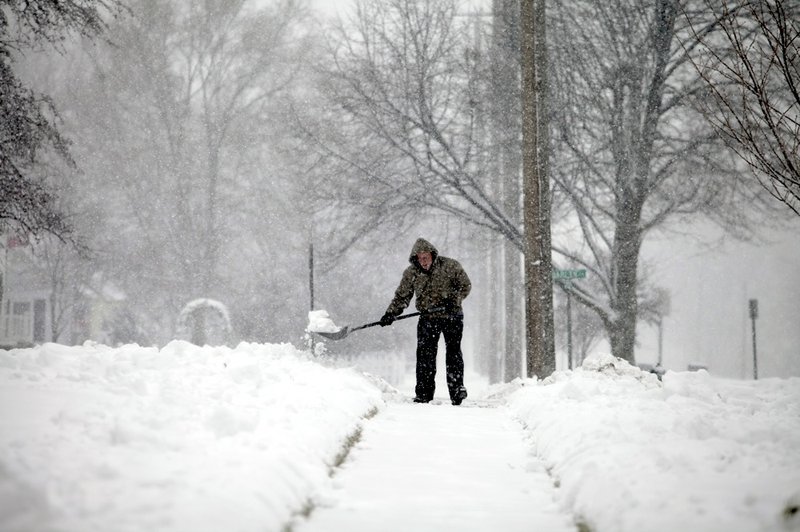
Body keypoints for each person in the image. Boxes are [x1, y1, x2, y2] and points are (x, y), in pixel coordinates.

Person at [379, 238, 471, 405]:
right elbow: (402, 296)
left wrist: (453, 300)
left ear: (432, 255)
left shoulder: (450, 266)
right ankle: (423, 392)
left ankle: (457, 390)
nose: (423, 262)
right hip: (428, 318)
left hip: (452, 316)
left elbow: (465, 285)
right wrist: (390, 313)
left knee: (453, 352)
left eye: (426, 257)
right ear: (415, 258)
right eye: (420, 258)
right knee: (425, 355)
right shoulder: (411, 273)